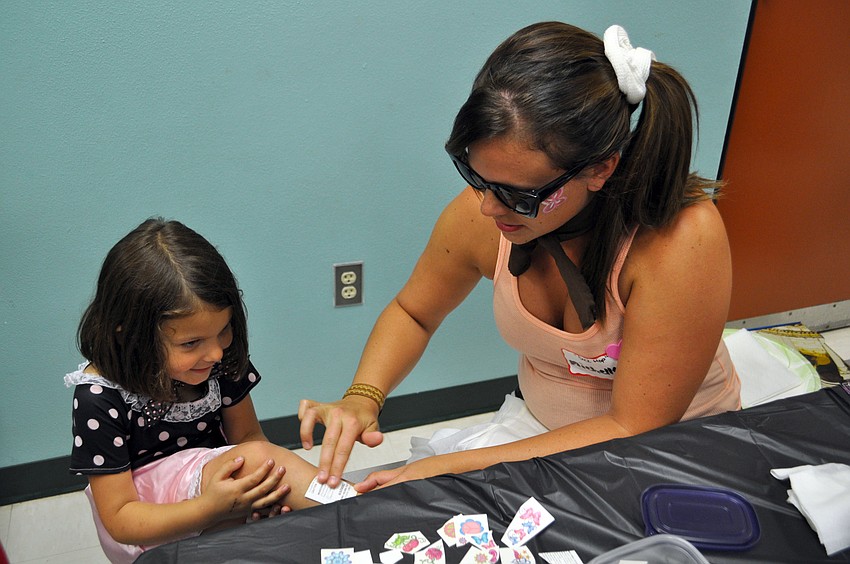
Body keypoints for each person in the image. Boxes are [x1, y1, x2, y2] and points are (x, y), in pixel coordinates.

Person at [298, 21, 741, 492]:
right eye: (479, 179)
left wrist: (453, 467)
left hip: (670, 448)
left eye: (519, 195)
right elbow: (414, 312)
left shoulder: (680, 239)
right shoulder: (485, 215)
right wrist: (363, 396)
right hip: (541, 438)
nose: (489, 208)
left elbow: (633, 427)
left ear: (600, 169)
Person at [66, 218, 323, 563]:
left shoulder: (218, 360)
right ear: (128, 334)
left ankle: (353, 510)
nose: (216, 353)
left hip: (216, 498)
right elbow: (121, 519)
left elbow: (247, 437)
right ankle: (356, 510)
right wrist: (207, 508)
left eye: (224, 331)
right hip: (151, 526)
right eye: (191, 343)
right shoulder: (99, 398)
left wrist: (259, 497)